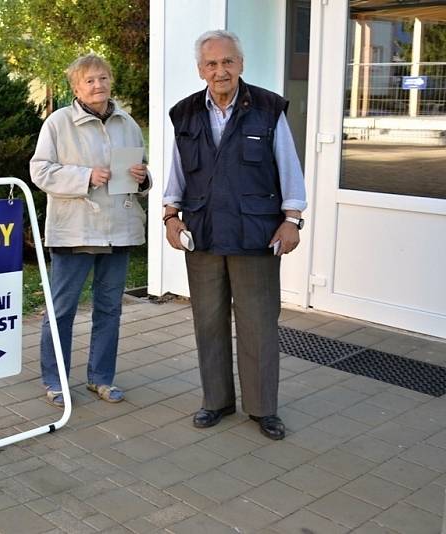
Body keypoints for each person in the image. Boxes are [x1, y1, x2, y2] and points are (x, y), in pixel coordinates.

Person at [162, 30, 307, 440]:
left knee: (258, 323)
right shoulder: (185, 113)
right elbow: (177, 174)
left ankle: (263, 409)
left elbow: (288, 168)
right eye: (212, 64)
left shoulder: (267, 108)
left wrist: (291, 220)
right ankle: (216, 401)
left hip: (255, 234)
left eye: (227, 62)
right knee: (207, 322)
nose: (220, 70)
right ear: (200, 70)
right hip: (203, 233)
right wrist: (170, 216)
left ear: (240, 64)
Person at [31, 54, 151, 408]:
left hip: (119, 229)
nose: (97, 85)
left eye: (102, 78)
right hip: (75, 231)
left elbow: (138, 171)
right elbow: (40, 171)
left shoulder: (127, 123)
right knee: (61, 310)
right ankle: (55, 382)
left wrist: (145, 178)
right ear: (76, 88)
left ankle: (101, 378)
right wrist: (85, 177)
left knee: (109, 309)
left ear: (111, 80)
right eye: (89, 81)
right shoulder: (57, 123)